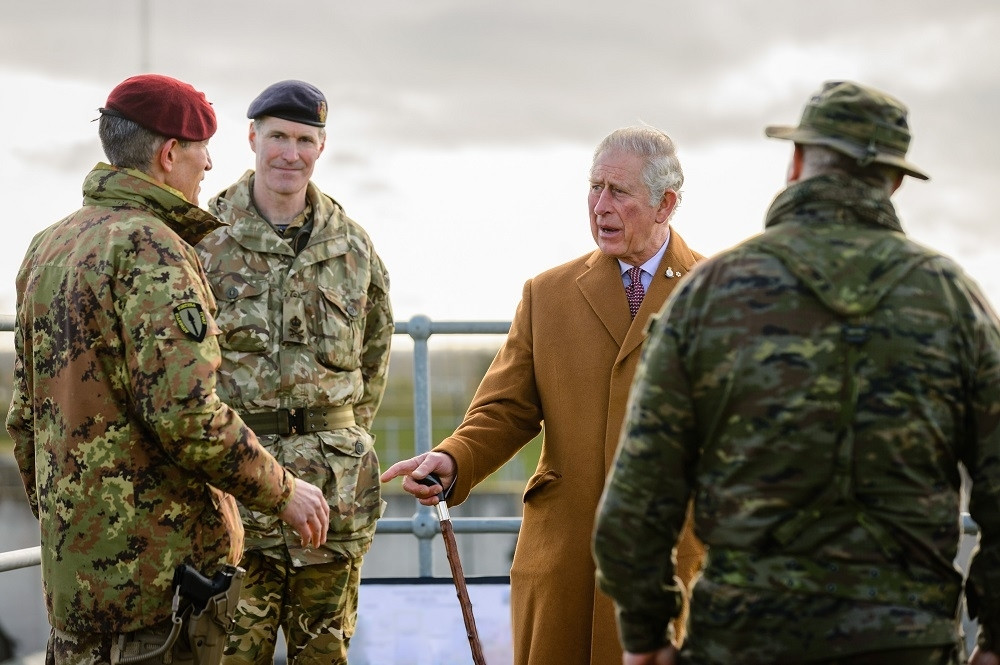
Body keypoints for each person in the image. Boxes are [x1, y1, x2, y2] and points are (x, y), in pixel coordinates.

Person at [593, 80, 1000, 665]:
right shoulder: (952, 300)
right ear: (894, 181)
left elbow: (638, 497)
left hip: (743, 642)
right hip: (905, 643)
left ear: (798, 161)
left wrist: (645, 636)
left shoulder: (711, 294)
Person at [5, 73, 331, 665]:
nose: (209, 165)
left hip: (77, 584)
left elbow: (25, 419)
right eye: (202, 149)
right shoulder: (153, 249)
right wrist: (284, 491)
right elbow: (188, 416)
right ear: (169, 153)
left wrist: (75, 528)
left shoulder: (48, 246)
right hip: (156, 590)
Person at [381, 125, 706, 665]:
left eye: (618, 192)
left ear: (665, 204)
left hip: (671, 557)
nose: (600, 205)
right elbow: (506, 410)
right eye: (594, 187)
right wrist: (454, 458)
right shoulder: (547, 294)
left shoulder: (717, 293)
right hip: (563, 561)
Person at [195, 79, 393, 665]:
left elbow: (374, 356)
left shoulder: (351, 246)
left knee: (325, 657)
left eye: (305, 140)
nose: (290, 153)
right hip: (236, 500)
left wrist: (339, 445)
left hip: (332, 505)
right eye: (278, 136)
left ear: (321, 146)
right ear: (252, 138)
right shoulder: (202, 238)